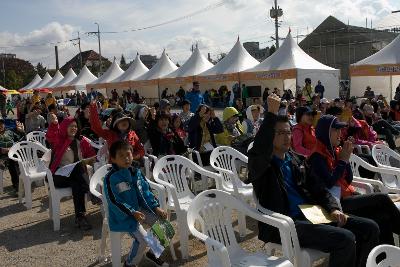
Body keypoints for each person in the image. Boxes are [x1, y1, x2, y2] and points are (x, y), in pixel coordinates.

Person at [248, 96, 380, 267]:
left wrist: (332, 208)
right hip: (285, 223)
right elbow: (258, 150)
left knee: (370, 228)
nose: (286, 136)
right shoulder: (263, 167)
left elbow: (318, 188)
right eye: (280, 133)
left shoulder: (297, 160)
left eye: (288, 132)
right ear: (268, 136)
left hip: (313, 214)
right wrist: (271, 114)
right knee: (345, 239)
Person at [309, 114, 400, 246]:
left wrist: (345, 160)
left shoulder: (334, 150)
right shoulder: (317, 157)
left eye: (340, 130)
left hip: (348, 195)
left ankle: (385, 258)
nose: (340, 133)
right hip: (337, 202)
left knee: (383, 218)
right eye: (336, 130)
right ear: (325, 132)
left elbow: (348, 179)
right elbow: (329, 183)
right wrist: (343, 161)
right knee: (382, 198)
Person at [104, 140, 168, 267]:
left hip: (140, 209)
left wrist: (155, 208)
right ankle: (129, 263)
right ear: (113, 159)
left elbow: (146, 192)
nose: (126, 158)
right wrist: (132, 212)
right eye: (121, 156)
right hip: (124, 215)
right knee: (143, 240)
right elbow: (114, 201)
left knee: (164, 227)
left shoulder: (136, 172)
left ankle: (153, 253)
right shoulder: (111, 178)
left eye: (128, 154)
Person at [46, 115, 97, 230]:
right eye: (70, 126)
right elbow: (50, 136)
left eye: (75, 126)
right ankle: (90, 191)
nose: (74, 128)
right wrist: (54, 124)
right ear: (64, 127)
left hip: (74, 176)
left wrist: (91, 158)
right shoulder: (59, 139)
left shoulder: (79, 141)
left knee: (77, 181)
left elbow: (91, 153)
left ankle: (80, 217)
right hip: (58, 176)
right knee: (78, 168)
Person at [0, 119, 24, 191]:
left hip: (13, 152)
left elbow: (21, 140)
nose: (0, 125)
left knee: (16, 160)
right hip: (3, 155)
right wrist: (1, 150)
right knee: (12, 162)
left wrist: (22, 131)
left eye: (1, 123)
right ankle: (18, 187)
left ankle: (22, 183)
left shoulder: (10, 131)